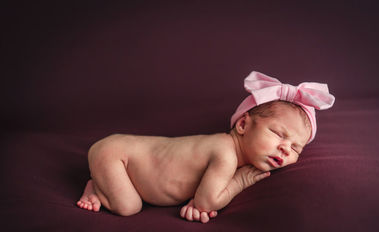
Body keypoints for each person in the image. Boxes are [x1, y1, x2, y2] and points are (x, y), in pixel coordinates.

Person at [77, 71, 335, 223]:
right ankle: (97, 185)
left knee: (129, 201)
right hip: (116, 155)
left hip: (125, 154)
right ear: (243, 124)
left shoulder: (228, 152)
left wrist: (198, 204)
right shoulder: (224, 152)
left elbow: (200, 202)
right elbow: (207, 201)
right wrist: (240, 181)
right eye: (279, 134)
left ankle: (100, 183)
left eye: (296, 148)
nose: (285, 149)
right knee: (128, 207)